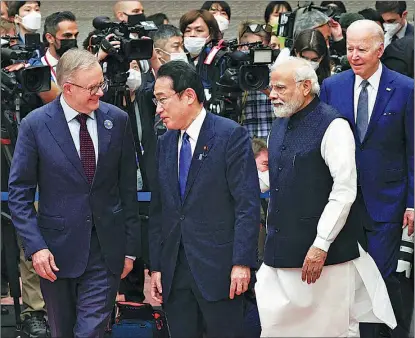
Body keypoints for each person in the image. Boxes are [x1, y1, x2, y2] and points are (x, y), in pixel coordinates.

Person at [256, 56, 397, 337]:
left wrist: (321, 244)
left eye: (280, 88)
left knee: (329, 330)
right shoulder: (280, 124)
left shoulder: (333, 126)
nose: (272, 95)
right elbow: (281, 177)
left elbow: (344, 189)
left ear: (306, 87)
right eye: (272, 88)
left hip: (325, 258)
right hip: (280, 253)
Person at [8, 49, 141, 338]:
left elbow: (128, 188)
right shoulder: (36, 124)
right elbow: (19, 193)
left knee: (90, 331)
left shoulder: (116, 120)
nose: (100, 93)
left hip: (106, 249)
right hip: (55, 252)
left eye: (101, 84)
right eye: (92, 88)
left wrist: (130, 248)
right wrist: (36, 246)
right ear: (68, 88)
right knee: (63, 331)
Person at [149, 60, 260, 338]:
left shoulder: (229, 135)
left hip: (220, 270)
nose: (158, 109)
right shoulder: (164, 142)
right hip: (175, 272)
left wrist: (242, 262)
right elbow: (159, 209)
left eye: (162, 100)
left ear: (188, 96)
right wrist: (156, 267)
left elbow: (246, 204)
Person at [320, 19, 414, 338]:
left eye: (362, 49)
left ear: (380, 49)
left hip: (386, 201)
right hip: (343, 201)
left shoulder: (405, 88)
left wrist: (412, 203)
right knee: (349, 281)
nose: (355, 55)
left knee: (380, 276)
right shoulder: (333, 86)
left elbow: (413, 150)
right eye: (349, 49)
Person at [41, 11, 79, 83]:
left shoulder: (81, 65)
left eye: (75, 35)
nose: (73, 39)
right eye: (67, 35)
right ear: (49, 38)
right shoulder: (37, 67)